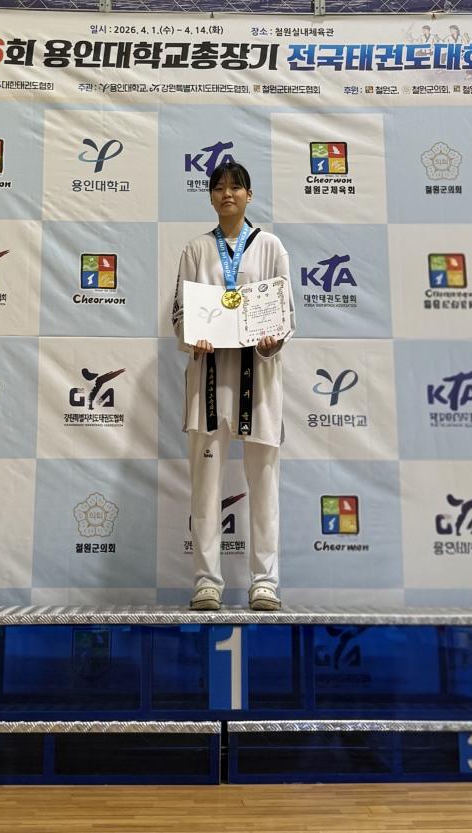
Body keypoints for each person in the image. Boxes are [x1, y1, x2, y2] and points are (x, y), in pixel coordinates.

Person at [171, 161, 294, 612]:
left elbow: (286, 313)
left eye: (236, 187)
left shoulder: (271, 246)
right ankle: (207, 581)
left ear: (249, 195)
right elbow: (180, 314)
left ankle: (265, 582)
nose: (227, 194)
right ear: (210, 197)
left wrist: (273, 339)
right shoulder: (196, 249)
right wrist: (193, 337)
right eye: (219, 187)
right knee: (206, 487)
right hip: (208, 379)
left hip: (257, 381)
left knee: (264, 486)